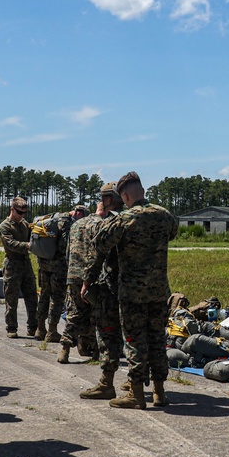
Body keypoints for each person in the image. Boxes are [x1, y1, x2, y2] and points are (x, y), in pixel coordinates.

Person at [83, 172, 178, 409]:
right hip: (158, 290)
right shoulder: (164, 215)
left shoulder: (125, 219)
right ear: (143, 191)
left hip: (132, 292)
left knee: (135, 340)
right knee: (157, 339)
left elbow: (99, 242)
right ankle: (159, 392)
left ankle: (135, 393)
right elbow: (173, 234)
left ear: (125, 196)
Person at [78, 182, 128, 399]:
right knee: (136, 336)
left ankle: (106, 383)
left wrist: (87, 281)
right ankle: (133, 381)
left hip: (110, 287)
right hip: (134, 288)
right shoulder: (135, 218)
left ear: (108, 200)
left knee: (107, 334)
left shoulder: (109, 222)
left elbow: (97, 254)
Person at [59, 204, 101, 364]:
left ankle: (66, 348)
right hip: (90, 276)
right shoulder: (99, 224)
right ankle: (96, 350)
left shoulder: (75, 225)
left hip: (73, 274)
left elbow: (68, 251)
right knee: (96, 313)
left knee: (74, 312)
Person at [0, 197, 39, 339]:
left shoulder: (25, 224)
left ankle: (33, 327)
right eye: (19, 212)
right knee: (11, 298)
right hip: (12, 265)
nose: (22, 215)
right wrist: (27, 245)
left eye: (24, 213)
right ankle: (11, 328)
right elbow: (10, 244)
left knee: (32, 297)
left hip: (25, 264)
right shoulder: (5, 226)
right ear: (12, 209)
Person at [34, 208, 75, 342]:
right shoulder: (66, 222)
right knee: (57, 297)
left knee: (44, 295)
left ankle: (40, 329)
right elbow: (65, 245)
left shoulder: (50, 218)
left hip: (43, 263)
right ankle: (52, 331)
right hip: (58, 267)